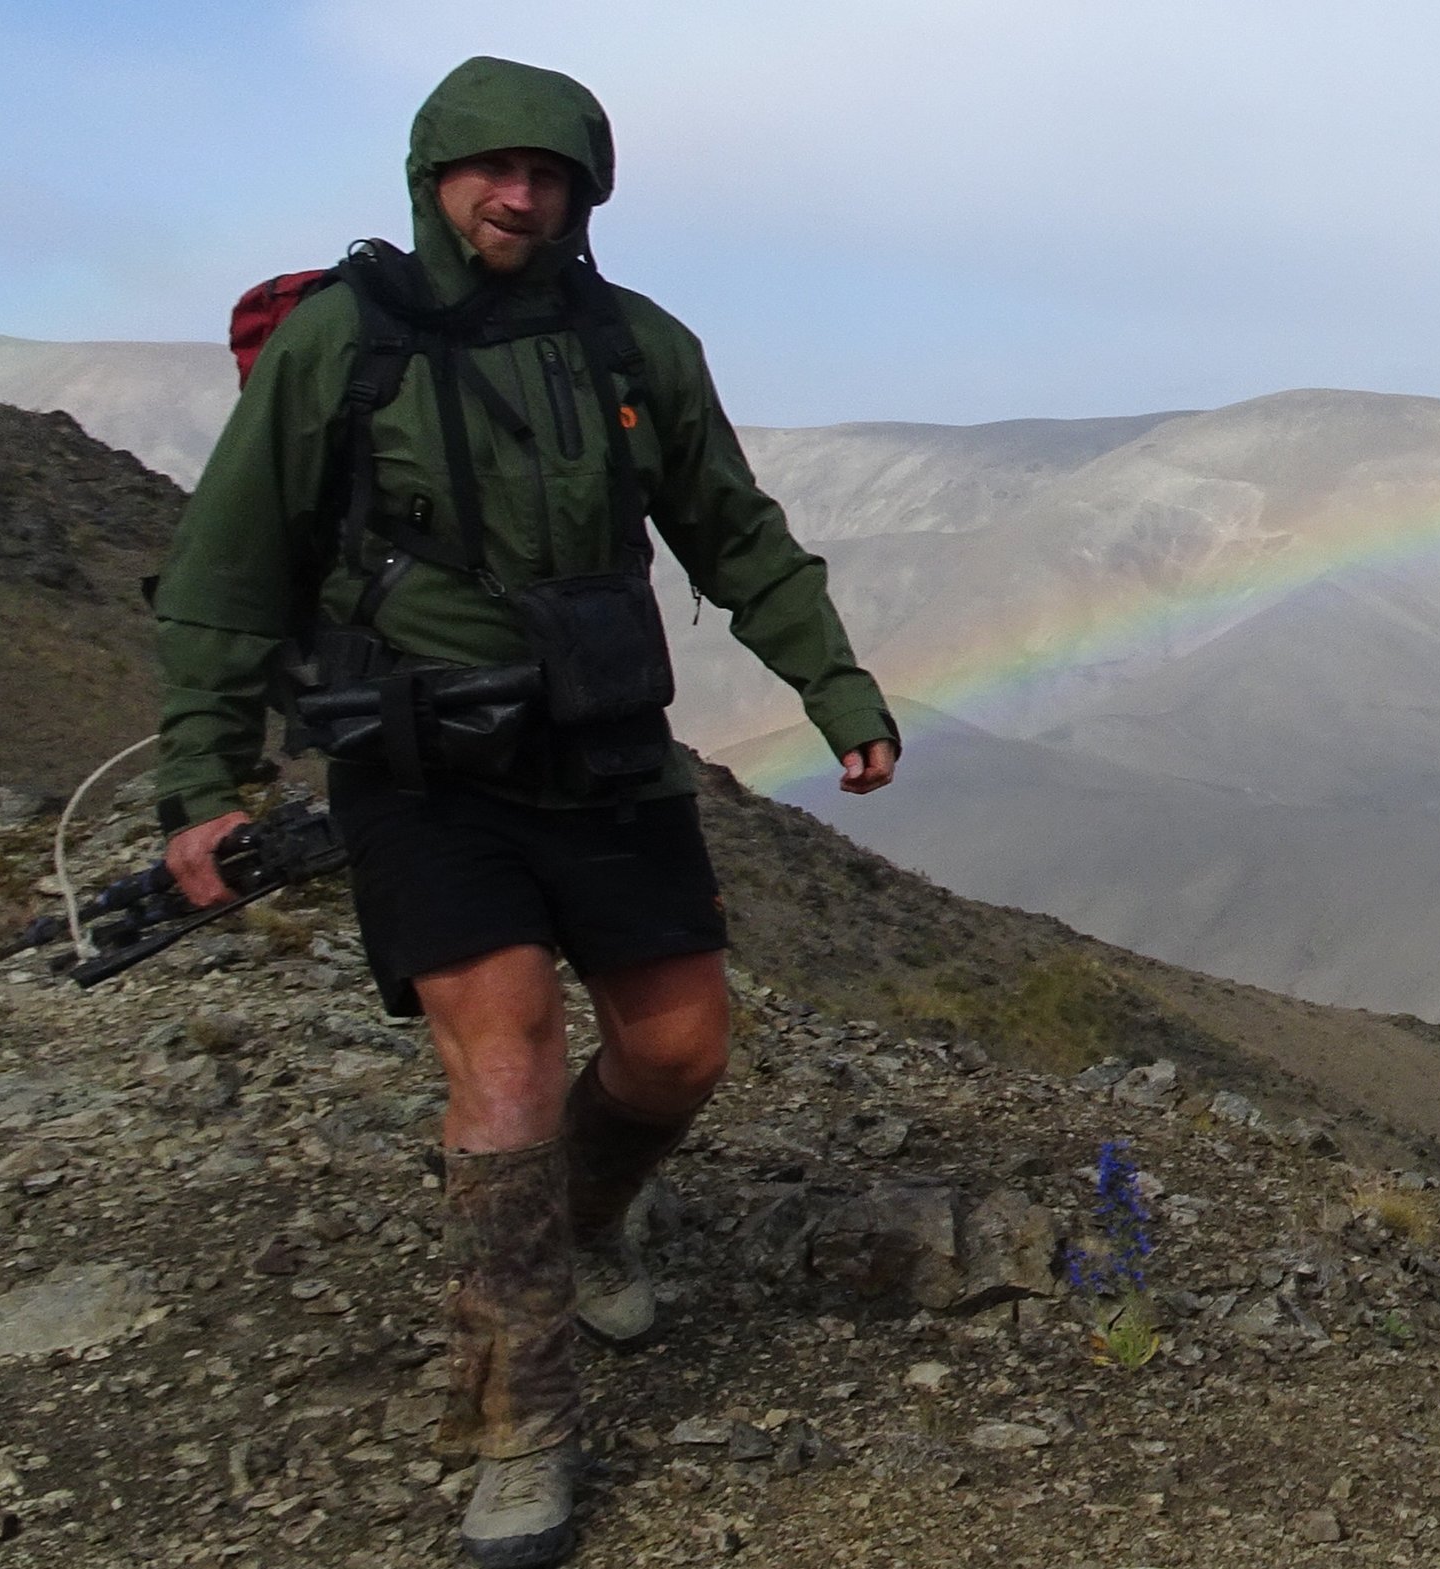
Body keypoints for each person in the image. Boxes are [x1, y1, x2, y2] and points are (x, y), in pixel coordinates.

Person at [149, 56, 897, 1568]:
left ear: (584, 190)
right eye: (489, 169)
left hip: (606, 753)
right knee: (502, 1065)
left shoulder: (636, 344)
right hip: (424, 769)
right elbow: (229, 569)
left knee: (679, 1047)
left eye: (549, 172)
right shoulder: (340, 348)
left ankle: (582, 1221)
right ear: (433, 180)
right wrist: (200, 784)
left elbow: (730, 528)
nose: (519, 192)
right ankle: (518, 1428)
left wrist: (839, 688)